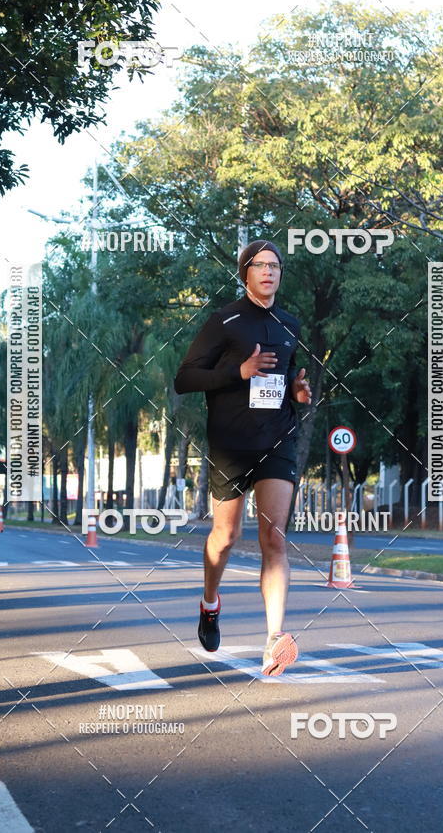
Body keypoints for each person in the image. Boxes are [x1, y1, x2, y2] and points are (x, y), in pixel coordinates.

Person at [174, 240, 312, 675]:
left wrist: (298, 393)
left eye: (276, 266)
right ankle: (210, 602)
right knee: (226, 537)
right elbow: (185, 378)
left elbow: (288, 378)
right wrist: (238, 372)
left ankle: (274, 640)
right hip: (231, 444)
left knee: (274, 539)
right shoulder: (224, 321)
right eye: (261, 266)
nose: (269, 272)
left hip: (277, 441)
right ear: (245, 273)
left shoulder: (290, 324)